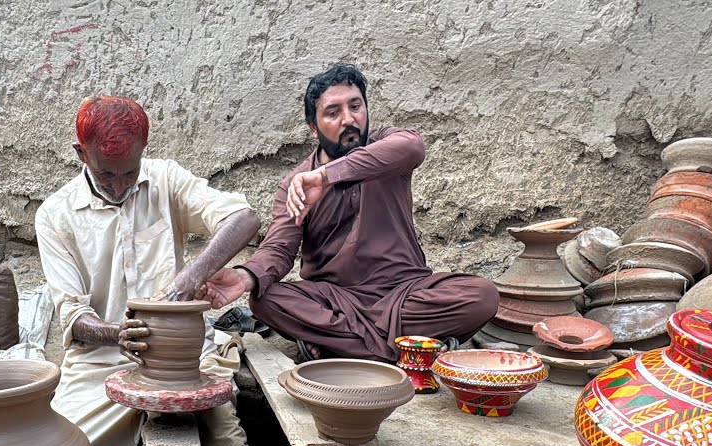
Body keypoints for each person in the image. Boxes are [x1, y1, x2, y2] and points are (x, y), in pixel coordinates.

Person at [198, 63, 498, 362]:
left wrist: (325, 176)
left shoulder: (387, 148)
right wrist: (244, 276)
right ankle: (405, 348)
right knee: (267, 301)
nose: (348, 119)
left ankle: (340, 347)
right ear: (313, 129)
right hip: (337, 300)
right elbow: (278, 249)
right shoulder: (294, 184)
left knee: (482, 295)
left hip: (404, 291)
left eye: (355, 106)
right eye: (333, 112)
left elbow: (412, 148)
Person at [36, 96, 259, 446]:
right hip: (102, 362)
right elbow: (73, 317)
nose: (121, 185)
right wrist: (117, 334)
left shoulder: (166, 179)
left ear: (143, 150)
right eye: (107, 174)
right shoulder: (55, 217)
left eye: (129, 172)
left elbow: (244, 218)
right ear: (81, 153)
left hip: (189, 360)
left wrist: (188, 280)